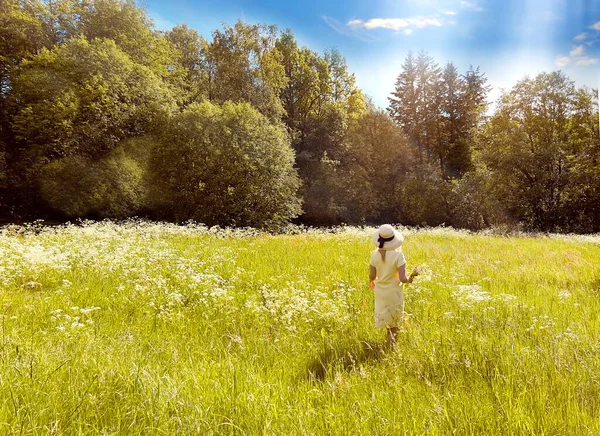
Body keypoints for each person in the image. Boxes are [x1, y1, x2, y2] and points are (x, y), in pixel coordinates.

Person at [369, 224, 418, 344]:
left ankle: (388, 342)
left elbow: (372, 276)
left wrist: (372, 281)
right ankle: (391, 347)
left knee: (387, 319)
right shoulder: (398, 255)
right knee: (394, 322)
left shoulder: (374, 255)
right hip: (394, 292)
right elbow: (402, 278)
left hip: (380, 291)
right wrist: (411, 277)